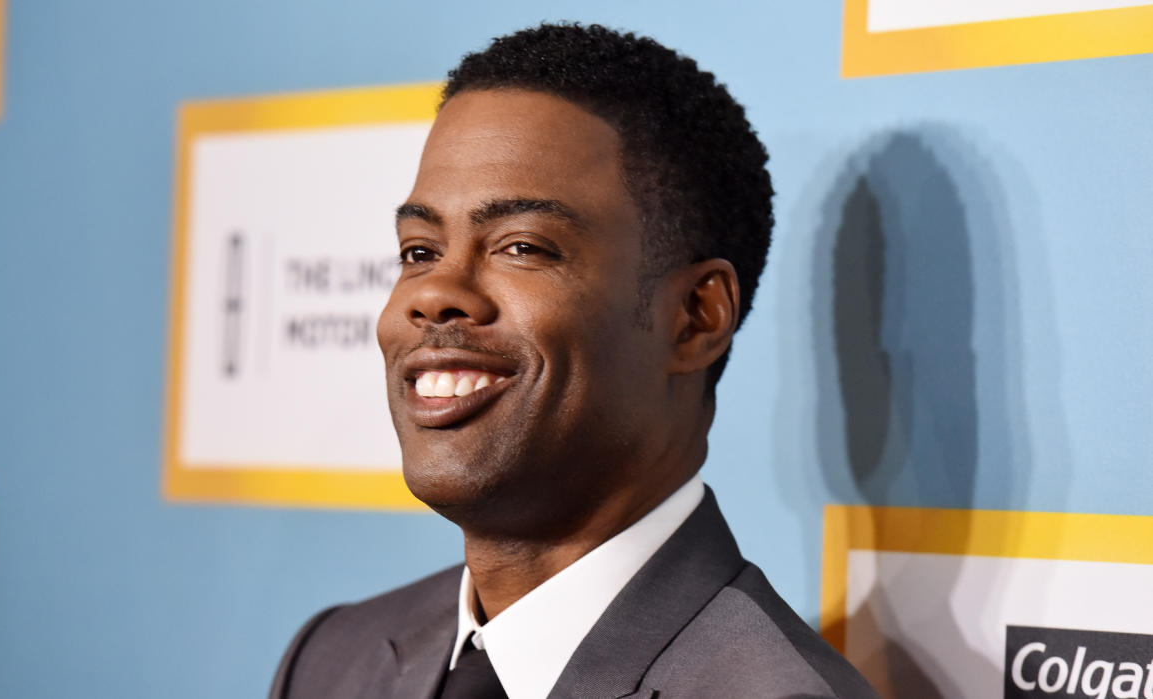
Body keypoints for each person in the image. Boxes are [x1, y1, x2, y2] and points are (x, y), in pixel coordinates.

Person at [270, 22, 876, 699]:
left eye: (523, 246)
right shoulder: (332, 659)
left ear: (695, 318)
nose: (435, 293)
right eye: (419, 251)